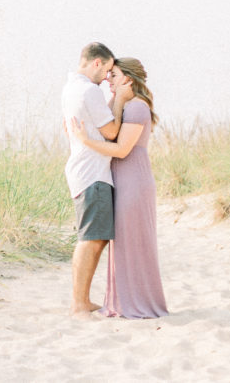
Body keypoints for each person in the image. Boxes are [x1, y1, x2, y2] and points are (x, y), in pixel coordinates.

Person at [69, 57, 168, 319]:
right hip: (123, 181)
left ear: (128, 79)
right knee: (124, 243)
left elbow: (121, 149)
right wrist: (118, 99)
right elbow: (110, 127)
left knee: (134, 243)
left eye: (114, 75)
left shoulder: (137, 108)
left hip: (133, 182)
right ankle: (126, 301)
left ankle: (138, 302)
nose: (108, 80)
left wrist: (85, 141)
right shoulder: (126, 105)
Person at [61, 42, 132, 316]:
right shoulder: (89, 91)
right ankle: (79, 302)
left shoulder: (70, 89)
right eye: (107, 70)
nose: (107, 78)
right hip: (92, 172)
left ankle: (81, 300)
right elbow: (113, 132)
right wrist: (122, 101)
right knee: (91, 238)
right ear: (96, 63)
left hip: (84, 169)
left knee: (94, 237)